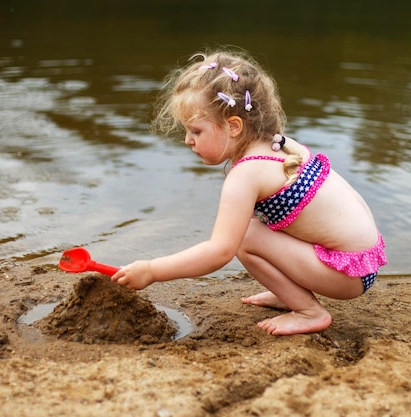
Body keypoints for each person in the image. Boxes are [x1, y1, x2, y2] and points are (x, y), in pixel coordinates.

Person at [110, 48, 387, 336]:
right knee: (256, 226)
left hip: (345, 274)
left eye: (196, 131)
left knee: (245, 236)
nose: (187, 140)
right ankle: (291, 293)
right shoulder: (281, 145)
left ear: (233, 126)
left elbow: (219, 252)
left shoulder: (245, 175)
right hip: (361, 262)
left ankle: (309, 312)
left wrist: (152, 270)